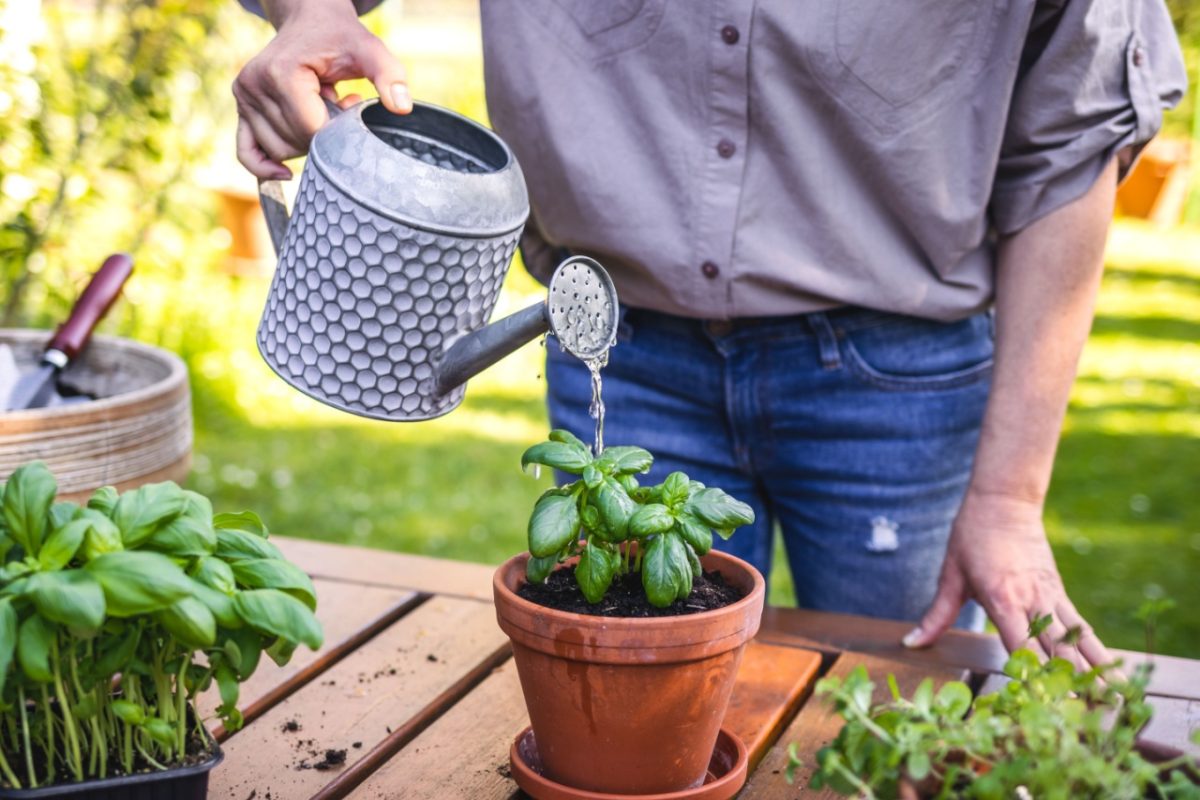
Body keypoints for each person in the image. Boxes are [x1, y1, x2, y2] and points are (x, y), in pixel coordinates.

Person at [233, 0, 1187, 667]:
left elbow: (1076, 131)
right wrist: (306, 12)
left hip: (895, 382)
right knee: (629, 721)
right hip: (619, 346)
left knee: (893, 719)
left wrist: (1012, 498)